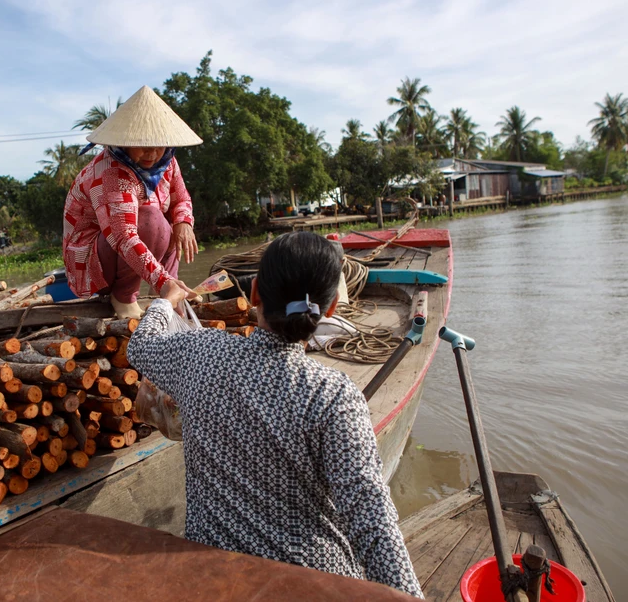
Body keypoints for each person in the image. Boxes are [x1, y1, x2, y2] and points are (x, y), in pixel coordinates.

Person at [126, 232, 424, 597]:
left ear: (254, 296)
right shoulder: (332, 395)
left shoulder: (199, 354)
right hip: (310, 584)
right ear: (329, 310)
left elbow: (141, 347)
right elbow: (373, 523)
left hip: (212, 577)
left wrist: (165, 302)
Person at [63, 86, 201, 318]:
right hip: (95, 263)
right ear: (125, 141)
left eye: (159, 145)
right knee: (151, 218)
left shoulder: (167, 161)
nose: (153, 153)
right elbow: (123, 236)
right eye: (144, 145)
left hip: (137, 253)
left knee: (170, 221)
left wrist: (183, 222)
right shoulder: (110, 171)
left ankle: (170, 290)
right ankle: (124, 296)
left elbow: (182, 198)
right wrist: (163, 281)